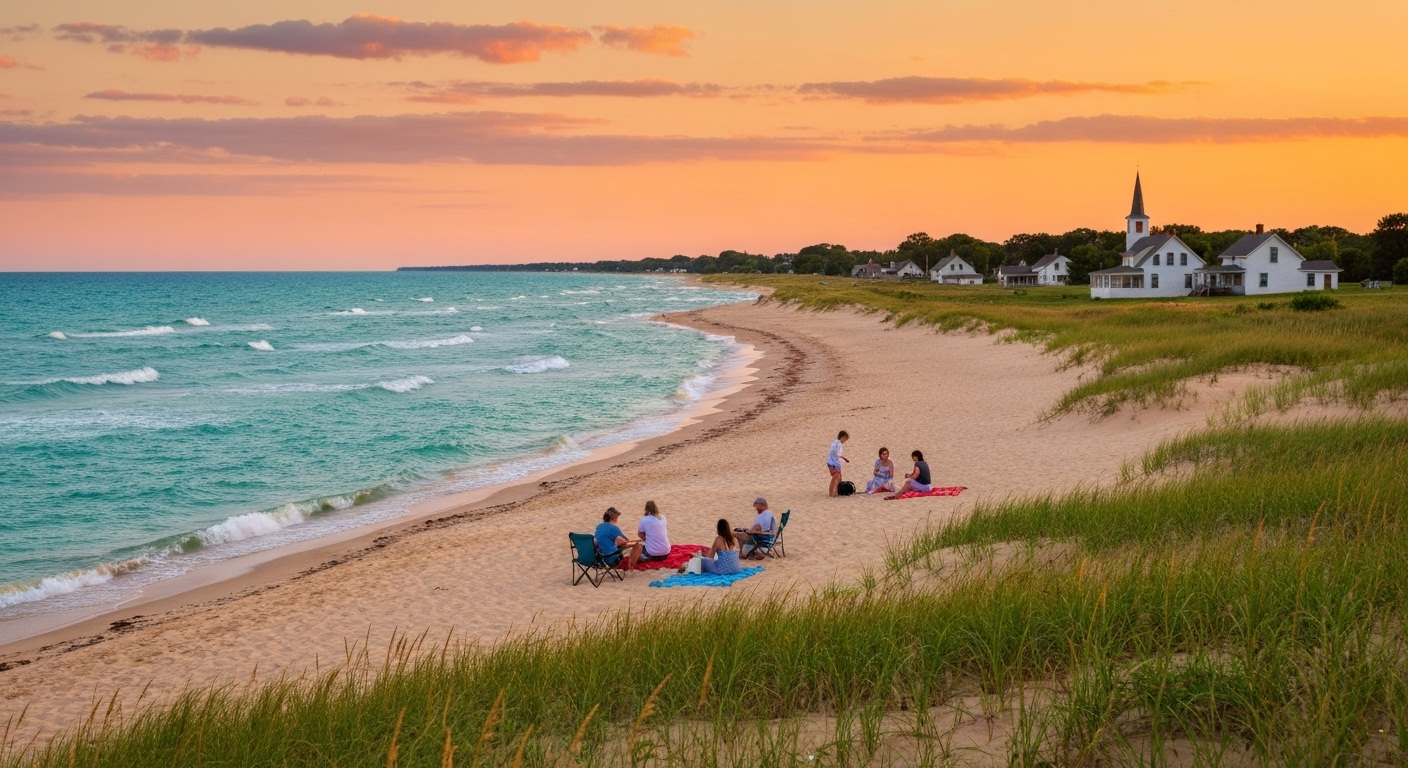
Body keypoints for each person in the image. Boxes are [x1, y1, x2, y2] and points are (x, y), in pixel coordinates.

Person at [630, 500, 672, 570]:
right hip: (666, 552)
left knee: (637, 546)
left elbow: (640, 533)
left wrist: (645, 539)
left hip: (653, 554)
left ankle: (631, 565)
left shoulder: (645, 519)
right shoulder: (663, 517)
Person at [827, 430, 850, 496]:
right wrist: (842, 457)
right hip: (833, 463)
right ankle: (833, 492)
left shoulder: (835, 442)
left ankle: (833, 491)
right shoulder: (838, 444)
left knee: (837, 477)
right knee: (837, 477)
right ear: (843, 437)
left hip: (832, 462)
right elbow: (837, 453)